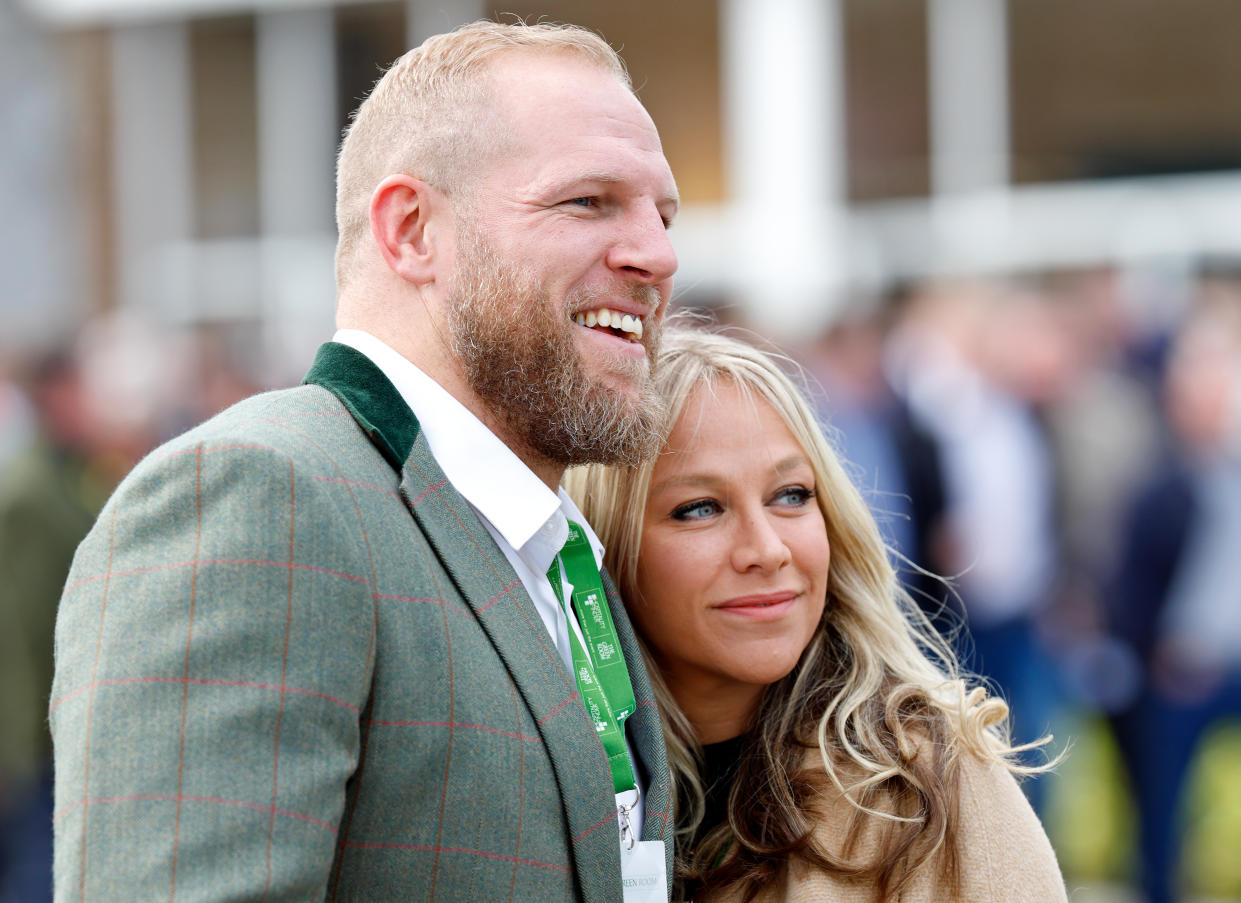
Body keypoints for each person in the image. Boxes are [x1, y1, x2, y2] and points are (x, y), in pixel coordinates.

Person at [51, 20, 679, 902]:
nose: (656, 254)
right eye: (587, 202)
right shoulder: (258, 495)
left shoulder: (544, 543)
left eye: (662, 213)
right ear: (412, 229)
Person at [567, 326, 1066, 902]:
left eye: (791, 495)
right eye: (700, 508)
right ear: (607, 543)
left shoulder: (927, 779)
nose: (767, 549)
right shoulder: (553, 785)